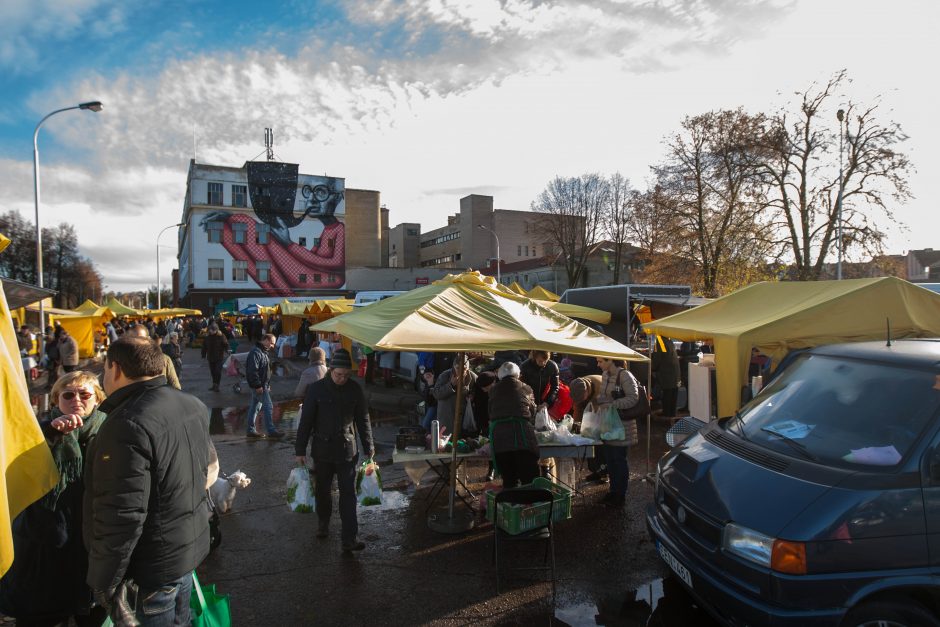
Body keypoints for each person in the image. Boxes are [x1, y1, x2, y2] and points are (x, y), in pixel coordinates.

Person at [84, 337, 210, 625]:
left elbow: (122, 514)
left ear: (115, 368)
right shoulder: (191, 404)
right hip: (186, 553)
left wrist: (104, 582)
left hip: (151, 570)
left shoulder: (126, 423)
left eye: (104, 369)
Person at [0, 371, 109, 627]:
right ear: (55, 400)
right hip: (43, 546)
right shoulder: (37, 431)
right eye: (68, 395)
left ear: (98, 399)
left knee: (92, 616)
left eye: (84, 394)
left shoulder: (109, 432)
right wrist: (50, 436)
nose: (76, 400)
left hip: (91, 546)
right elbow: (16, 465)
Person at [295, 348, 375, 552]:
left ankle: (350, 538)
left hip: (347, 450)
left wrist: (369, 447)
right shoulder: (316, 389)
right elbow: (306, 421)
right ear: (330, 370)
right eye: (339, 374)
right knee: (323, 490)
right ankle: (323, 523)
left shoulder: (355, 390)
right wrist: (300, 450)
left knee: (348, 493)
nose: (342, 378)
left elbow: (363, 420)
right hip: (322, 450)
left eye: (346, 375)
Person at [595, 357, 640, 508]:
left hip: (623, 425)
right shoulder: (606, 375)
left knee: (619, 459)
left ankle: (620, 494)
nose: (598, 364)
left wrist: (612, 404)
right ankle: (613, 491)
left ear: (611, 361)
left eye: (601, 361)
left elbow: (634, 398)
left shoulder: (625, 375)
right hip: (608, 424)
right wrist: (600, 400)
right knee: (610, 460)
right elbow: (604, 396)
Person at [488, 362, 539, 488]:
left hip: (500, 438)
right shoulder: (526, 388)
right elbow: (532, 411)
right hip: (522, 436)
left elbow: (490, 412)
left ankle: (512, 505)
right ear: (517, 374)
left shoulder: (493, 390)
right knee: (529, 478)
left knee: (509, 479)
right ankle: (531, 505)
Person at [246, 333, 284, 438]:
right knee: (268, 406)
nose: (272, 346)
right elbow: (252, 371)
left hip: (262, 385)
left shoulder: (261, 351)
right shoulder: (256, 352)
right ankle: (271, 431)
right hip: (259, 386)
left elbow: (264, 371)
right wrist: (258, 385)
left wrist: (267, 384)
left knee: (255, 407)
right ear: (266, 340)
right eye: (271, 343)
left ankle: (250, 430)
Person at [432, 355, 477, 437]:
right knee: (446, 443)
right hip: (447, 417)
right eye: (457, 368)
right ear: (454, 367)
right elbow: (436, 393)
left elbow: (477, 393)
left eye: (463, 369)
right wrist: (451, 385)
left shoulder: (473, 377)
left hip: (464, 418)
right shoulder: (445, 375)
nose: (460, 371)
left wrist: (472, 396)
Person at [124, 325, 181, 390]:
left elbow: (175, 387)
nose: (136, 342)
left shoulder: (164, 359)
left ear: (148, 339)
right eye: (132, 339)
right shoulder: (122, 361)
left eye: (140, 338)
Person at [471, 370, 498, 480]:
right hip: (486, 421)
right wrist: (482, 424)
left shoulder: (499, 388)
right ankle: (491, 470)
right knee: (490, 445)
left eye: (486, 388)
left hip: (498, 420)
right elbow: (478, 408)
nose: (485, 390)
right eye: (483, 388)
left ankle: (499, 470)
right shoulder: (479, 390)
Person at [652, 336, 681, 419]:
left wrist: (653, 367)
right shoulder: (669, 339)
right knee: (673, 392)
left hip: (667, 370)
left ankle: (667, 414)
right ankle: (672, 413)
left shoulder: (660, 340)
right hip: (675, 370)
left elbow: (658, 356)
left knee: (667, 392)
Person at [202, 323, 229, 392]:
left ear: (216, 330)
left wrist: (228, 350)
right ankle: (214, 385)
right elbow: (204, 346)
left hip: (219, 357)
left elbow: (226, 344)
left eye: (212, 330)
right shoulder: (207, 337)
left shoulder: (221, 336)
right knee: (213, 372)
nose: (210, 331)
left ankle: (217, 385)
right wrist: (203, 354)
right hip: (210, 357)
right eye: (210, 330)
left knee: (218, 372)